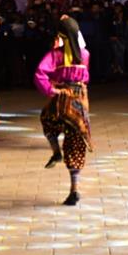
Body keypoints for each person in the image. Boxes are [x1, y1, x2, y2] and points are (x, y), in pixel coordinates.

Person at [34, 16, 92, 206]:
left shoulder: (55, 55)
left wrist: (52, 90)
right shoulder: (85, 54)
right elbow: (86, 77)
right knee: (75, 144)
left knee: (47, 119)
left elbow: (40, 73)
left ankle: (55, 151)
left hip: (62, 99)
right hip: (80, 101)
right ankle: (74, 189)